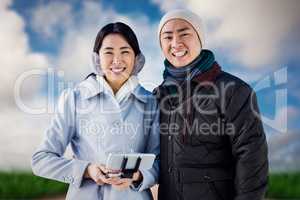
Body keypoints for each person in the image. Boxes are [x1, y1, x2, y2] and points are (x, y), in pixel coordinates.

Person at [31, 22, 159, 200]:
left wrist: (138, 175)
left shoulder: (151, 103)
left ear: (137, 59)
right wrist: (86, 170)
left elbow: (159, 162)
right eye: (108, 52)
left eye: (125, 51)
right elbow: (41, 160)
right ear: (97, 58)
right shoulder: (74, 99)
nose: (117, 60)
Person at [154, 9, 268, 200]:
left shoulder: (233, 90)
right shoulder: (159, 95)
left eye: (184, 34)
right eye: (167, 37)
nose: (175, 43)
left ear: (200, 38)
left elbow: (251, 156)